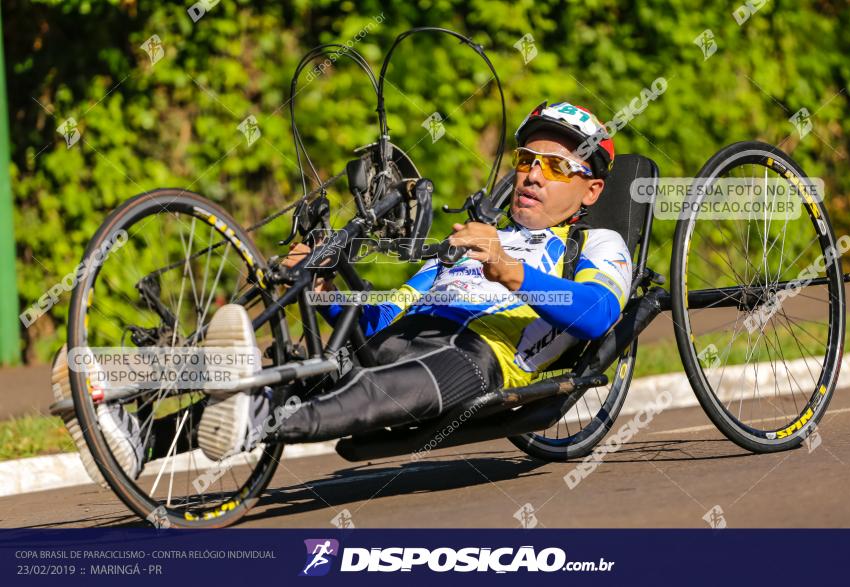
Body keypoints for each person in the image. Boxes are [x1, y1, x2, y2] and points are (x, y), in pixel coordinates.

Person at [56, 101, 633, 473]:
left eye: (556, 166)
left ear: (589, 191)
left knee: (357, 393)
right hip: (404, 338)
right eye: (527, 158)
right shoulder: (474, 237)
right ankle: (133, 423)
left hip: (477, 359)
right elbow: (384, 320)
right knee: (310, 365)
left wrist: (510, 270)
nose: (532, 173)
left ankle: (256, 418)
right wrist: (329, 289)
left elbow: (599, 312)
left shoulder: (598, 245)